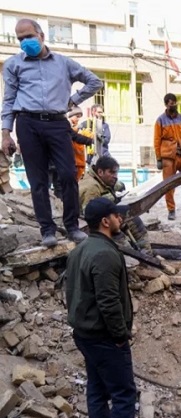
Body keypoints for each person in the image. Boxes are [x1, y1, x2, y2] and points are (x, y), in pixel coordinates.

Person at [1, 18, 103, 247]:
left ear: (41, 35)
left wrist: (73, 100)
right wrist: (6, 133)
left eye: (28, 36)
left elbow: (94, 81)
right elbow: (8, 100)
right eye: (20, 39)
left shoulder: (63, 63)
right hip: (27, 124)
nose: (24, 42)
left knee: (68, 175)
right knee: (38, 181)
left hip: (58, 123)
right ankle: (47, 230)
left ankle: (72, 227)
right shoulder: (13, 65)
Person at [65, 197, 136, 418]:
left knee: (97, 390)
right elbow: (108, 302)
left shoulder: (79, 249)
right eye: (116, 216)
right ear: (106, 221)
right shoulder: (105, 253)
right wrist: (120, 336)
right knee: (124, 395)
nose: (120, 219)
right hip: (103, 337)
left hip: (85, 334)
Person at [79, 156, 151, 254]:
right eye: (112, 173)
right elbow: (90, 215)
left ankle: (143, 251)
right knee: (127, 217)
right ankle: (134, 253)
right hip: (91, 223)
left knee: (129, 215)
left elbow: (116, 185)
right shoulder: (91, 188)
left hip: (102, 218)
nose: (115, 176)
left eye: (116, 173)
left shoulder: (99, 179)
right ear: (100, 172)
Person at [153, 93, 181, 221]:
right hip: (168, 156)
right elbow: (157, 140)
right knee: (169, 185)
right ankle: (171, 210)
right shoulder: (160, 120)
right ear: (166, 104)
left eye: (175, 103)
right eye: (171, 103)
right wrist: (159, 158)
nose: (174, 105)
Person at [67, 106, 91, 180]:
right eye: (77, 116)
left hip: (79, 162)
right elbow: (74, 136)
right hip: (73, 162)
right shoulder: (68, 128)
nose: (78, 119)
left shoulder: (78, 129)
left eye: (79, 117)